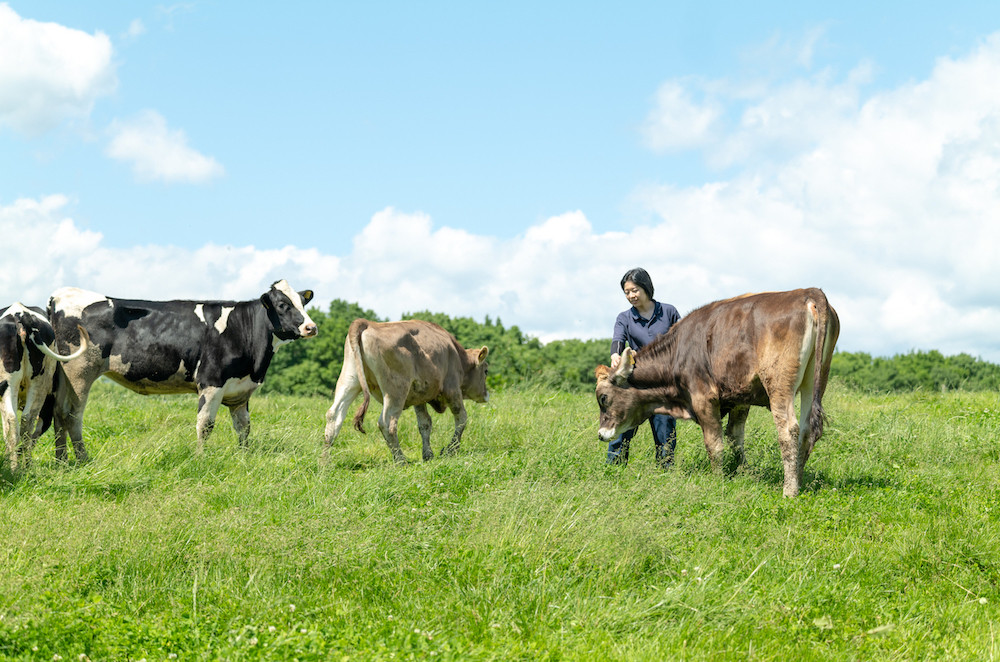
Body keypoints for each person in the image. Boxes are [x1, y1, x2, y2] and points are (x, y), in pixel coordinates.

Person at [607, 267, 681, 467]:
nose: (631, 295)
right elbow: (618, 340)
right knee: (620, 432)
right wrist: (615, 354)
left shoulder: (669, 312)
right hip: (634, 385)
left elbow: (682, 343)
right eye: (627, 292)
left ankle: (665, 477)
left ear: (646, 288)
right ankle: (613, 474)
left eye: (635, 290)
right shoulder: (624, 318)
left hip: (662, 386)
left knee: (665, 438)